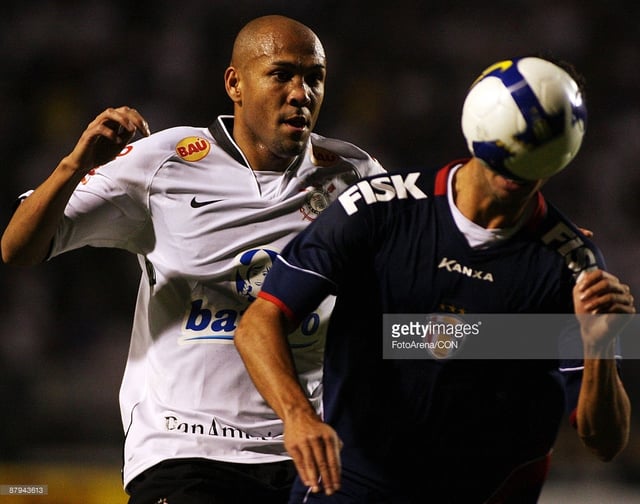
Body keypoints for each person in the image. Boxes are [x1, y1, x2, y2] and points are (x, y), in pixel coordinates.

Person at [0, 14, 385, 503]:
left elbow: (404, 311)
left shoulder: (355, 176)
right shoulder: (162, 162)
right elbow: (18, 248)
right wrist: (74, 166)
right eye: (282, 74)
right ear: (235, 84)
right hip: (187, 449)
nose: (300, 92)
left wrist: (505, 338)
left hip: (306, 450)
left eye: (314, 77)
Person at [234, 56, 635, 503]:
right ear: (479, 125)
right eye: (507, 149)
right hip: (350, 487)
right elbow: (258, 322)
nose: (513, 172)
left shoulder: (573, 268)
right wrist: (298, 417)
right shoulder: (377, 208)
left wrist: (601, 344)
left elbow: (606, 441)